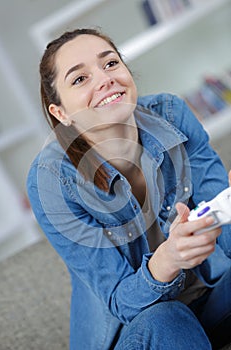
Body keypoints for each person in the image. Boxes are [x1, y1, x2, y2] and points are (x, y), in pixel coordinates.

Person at [27, 28, 231, 350]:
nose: (105, 79)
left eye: (110, 64)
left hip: (207, 302)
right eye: (79, 79)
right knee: (166, 317)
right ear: (61, 113)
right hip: (137, 330)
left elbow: (224, 224)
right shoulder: (51, 181)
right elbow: (121, 301)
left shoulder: (173, 114)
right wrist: (170, 258)